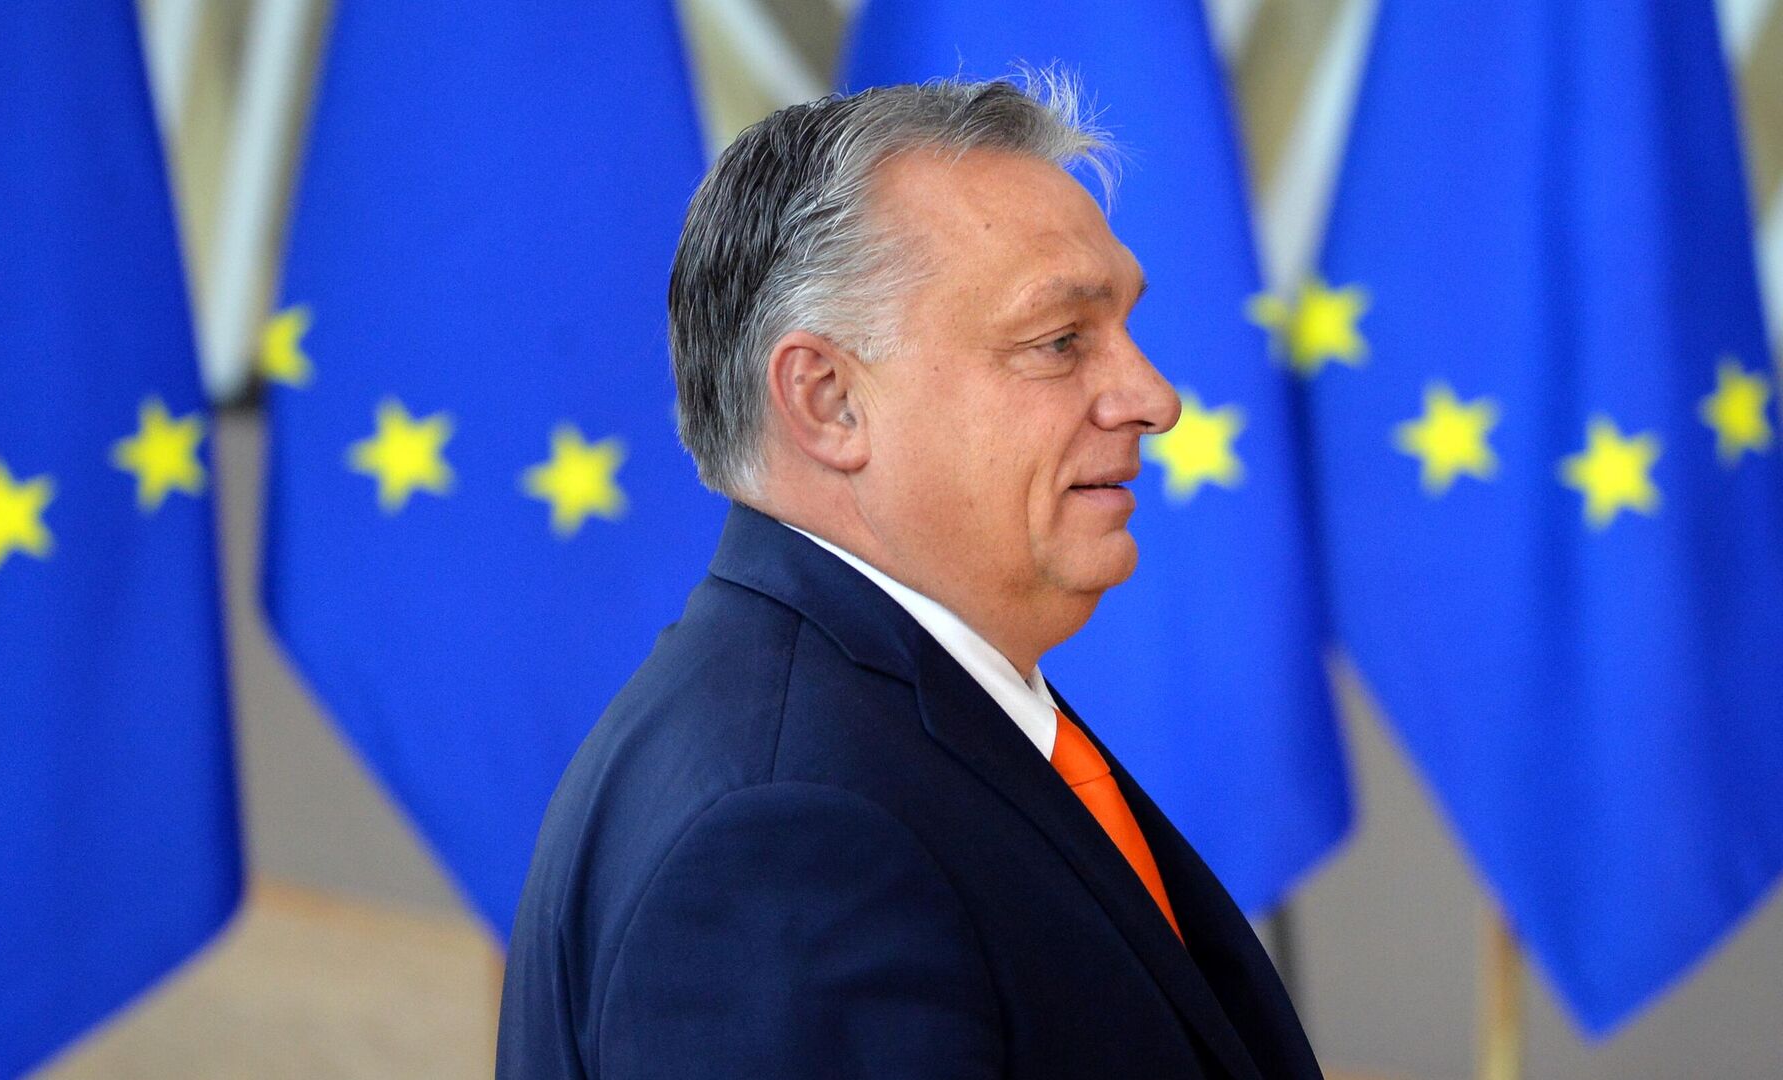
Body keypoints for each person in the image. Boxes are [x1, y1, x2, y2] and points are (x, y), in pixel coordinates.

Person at [496, 75, 1322, 1080]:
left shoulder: (865, 729)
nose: (1153, 397)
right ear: (828, 401)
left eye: (1125, 330)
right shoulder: (788, 836)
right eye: (1060, 341)